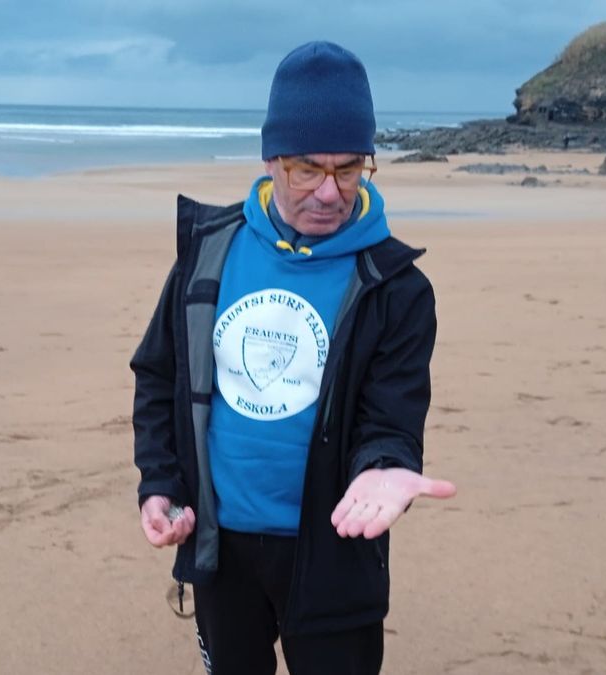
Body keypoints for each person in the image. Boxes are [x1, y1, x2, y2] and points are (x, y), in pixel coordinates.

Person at [131, 41, 456, 675]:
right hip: (222, 549)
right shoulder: (208, 251)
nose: (330, 192)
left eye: (349, 169)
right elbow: (160, 374)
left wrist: (386, 468)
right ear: (272, 159)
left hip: (335, 551)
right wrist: (161, 483)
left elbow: (389, 418)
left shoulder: (395, 287)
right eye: (308, 169)